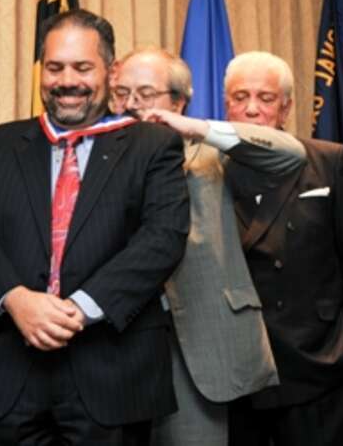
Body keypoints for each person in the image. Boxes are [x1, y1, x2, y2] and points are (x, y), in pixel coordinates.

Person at [0, 10, 189, 445]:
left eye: (82, 67)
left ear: (110, 72)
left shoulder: (152, 145)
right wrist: (17, 300)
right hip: (5, 376)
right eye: (55, 67)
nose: (67, 80)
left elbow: (163, 237)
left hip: (112, 378)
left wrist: (79, 308)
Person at [114, 46, 305, 445]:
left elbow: (288, 154)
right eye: (121, 93)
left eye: (145, 95)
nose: (130, 106)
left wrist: (196, 128)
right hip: (116, 343)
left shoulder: (210, 152)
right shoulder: (94, 155)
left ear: (179, 101)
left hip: (194, 345)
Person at [224, 51, 343, 446]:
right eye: (240, 97)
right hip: (239, 374)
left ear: (286, 108)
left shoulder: (329, 162)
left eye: (265, 98)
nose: (252, 109)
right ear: (226, 104)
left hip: (321, 367)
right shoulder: (204, 168)